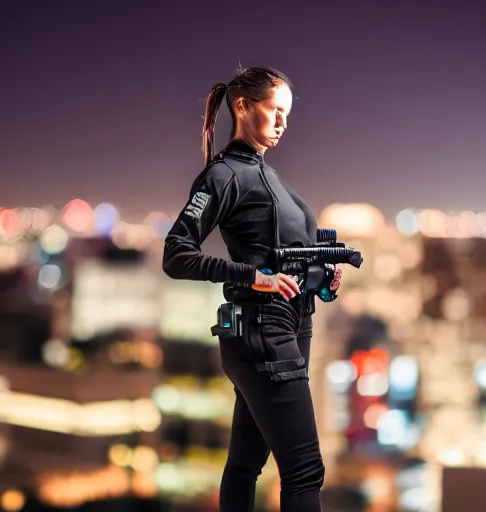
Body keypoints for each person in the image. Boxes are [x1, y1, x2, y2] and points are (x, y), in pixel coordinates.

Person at [162, 66, 343, 512]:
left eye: (288, 113)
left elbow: (280, 258)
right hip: (263, 334)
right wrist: (251, 277)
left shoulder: (269, 176)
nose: (283, 122)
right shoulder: (223, 176)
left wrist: (322, 280)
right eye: (275, 110)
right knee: (304, 470)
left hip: (285, 330)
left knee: (245, 465)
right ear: (243, 106)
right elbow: (175, 253)